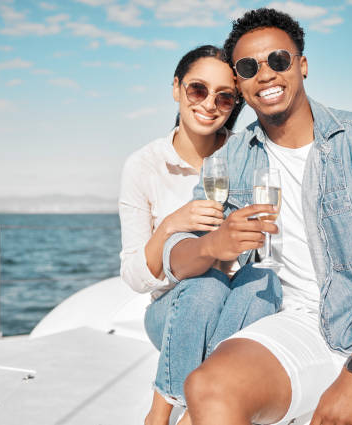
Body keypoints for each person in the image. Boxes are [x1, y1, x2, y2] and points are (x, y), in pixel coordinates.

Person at [163, 8, 352, 425]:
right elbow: (177, 257)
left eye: (278, 60)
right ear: (239, 82)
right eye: (249, 67)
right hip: (299, 324)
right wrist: (214, 244)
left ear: (301, 65)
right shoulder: (231, 158)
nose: (265, 75)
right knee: (207, 388)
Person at [118, 45, 282, 425]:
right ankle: (161, 411)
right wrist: (172, 224)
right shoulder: (144, 167)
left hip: (239, 307)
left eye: (225, 96)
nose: (210, 104)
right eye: (197, 90)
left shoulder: (249, 156)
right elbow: (133, 276)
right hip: (172, 312)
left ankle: (194, 415)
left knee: (262, 283)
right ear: (176, 88)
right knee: (205, 284)